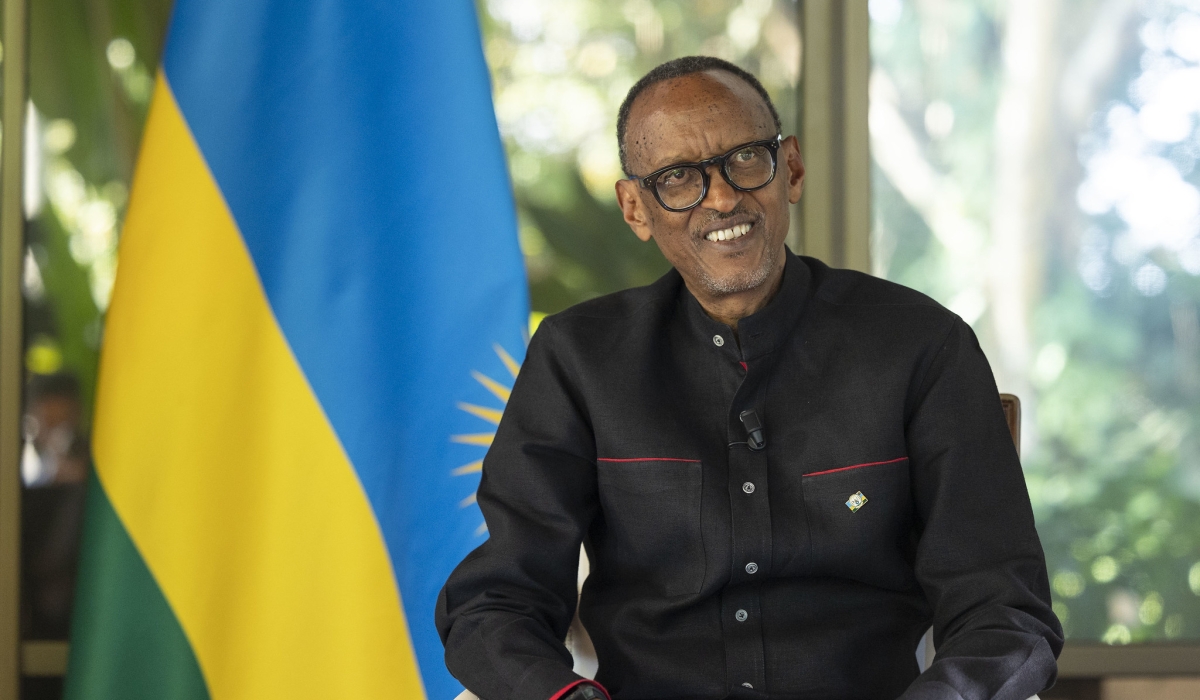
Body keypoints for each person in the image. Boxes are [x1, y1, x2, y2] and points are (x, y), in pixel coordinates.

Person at [437, 56, 1062, 700]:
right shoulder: (577, 359)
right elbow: (495, 602)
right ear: (636, 208)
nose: (724, 196)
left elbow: (1005, 615)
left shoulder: (922, 346)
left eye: (746, 159)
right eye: (679, 178)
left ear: (789, 168)